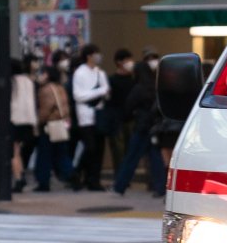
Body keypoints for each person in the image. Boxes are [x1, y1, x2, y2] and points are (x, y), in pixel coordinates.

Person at [115, 48, 166, 198]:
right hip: (154, 126)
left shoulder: (138, 88)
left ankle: (120, 186)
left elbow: (127, 108)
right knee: (155, 158)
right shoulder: (156, 86)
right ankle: (161, 187)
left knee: (132, 157)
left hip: (141, 127)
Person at [70, 43, 110, 190]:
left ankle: (93, 179)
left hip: (99, 115)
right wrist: (99, 91)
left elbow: (107, 90)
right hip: (85, 116)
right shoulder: (80, 73)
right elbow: (79, 96)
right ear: (89, 56)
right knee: (90, 148)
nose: (98, 56)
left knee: (99, 149)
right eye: (95, 53)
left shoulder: (100, 73)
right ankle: (77, 172)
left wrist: (101, 91)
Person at [34, 64, 73, 190]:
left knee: (44, 154)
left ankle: (43, 183)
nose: (40, 76)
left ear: (47, 74)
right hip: (61, 124)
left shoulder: (45, 89)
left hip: (49, 125)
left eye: (43, 73)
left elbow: (46, 108)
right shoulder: (60, 87)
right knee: (61, 153)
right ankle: (72, 175)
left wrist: (38, 122)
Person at [9, 55, 39, 191]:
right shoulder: (28, 81)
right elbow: (32, 103)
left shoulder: (11, 81)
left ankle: (19, 179)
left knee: (13, 153)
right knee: (18, 151)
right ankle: (21, 176)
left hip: (14, 119)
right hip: (28, 120)